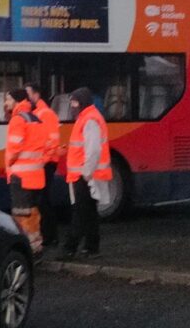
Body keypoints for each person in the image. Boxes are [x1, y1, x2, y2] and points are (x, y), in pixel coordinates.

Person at [62, 87, 112, 259]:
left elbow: (93, 150)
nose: (72, 105)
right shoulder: (88, 117)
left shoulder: (89, 119)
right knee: (89, 212)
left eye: (74, 102)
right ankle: (91, 247)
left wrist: (87, 172)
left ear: (81, 102)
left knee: (80, 212)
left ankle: (70, 248)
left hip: (85, 175)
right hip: (86, 173)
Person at [4, 89, 46, 255]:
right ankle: (36, 247)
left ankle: (25, 251)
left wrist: (9, 163)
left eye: (8, 100)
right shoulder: (35, 119)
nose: (5, 104)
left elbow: (15, 148)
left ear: (16, 101)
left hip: (20, 177)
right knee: (33, 214)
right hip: (35, 176)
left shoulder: (17, 120)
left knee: (21, 216)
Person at [25, 82, 63, 248]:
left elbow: (52, 141)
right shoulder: (35, 113)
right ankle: (46, 234)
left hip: (46, 163)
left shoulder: (45, 114)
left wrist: (43, 160)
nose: (27, 98)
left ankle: (51, 236)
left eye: (29, 94)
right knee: (40, 201)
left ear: (36, 95)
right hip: (40, 163)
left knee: (43, 201)